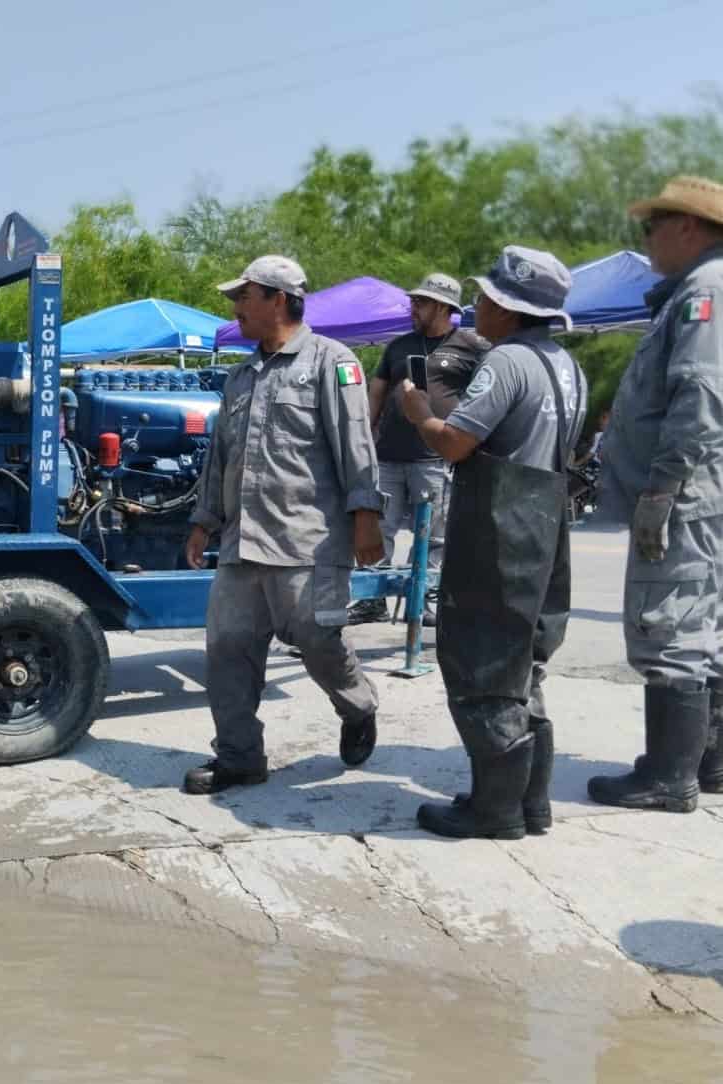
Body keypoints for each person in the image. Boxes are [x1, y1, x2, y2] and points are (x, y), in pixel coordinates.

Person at [589, 176, 723, 814]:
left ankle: (669, 776)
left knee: (667, 630)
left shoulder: (707, 289)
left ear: (687, 226)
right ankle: (704, 762)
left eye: (652, 227)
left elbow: (700, 393)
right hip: (714, 489)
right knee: (702, 625)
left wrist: (664, 486)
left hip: (688, 494)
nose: (646, 240)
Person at [399, 247, 585, 840]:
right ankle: (531, 803)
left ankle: (494, 810)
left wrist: (419, 413)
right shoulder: (567, 366)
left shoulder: (506, 361)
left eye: (485, 297)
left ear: (509, 308)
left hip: (500, 526)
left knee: (483, 662)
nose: (476, 305)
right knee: (524, 664)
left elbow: (456, 443)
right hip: (547, 522)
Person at [182, 255, 384, 795]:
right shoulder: (239, 376)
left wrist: (367, 517)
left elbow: (356, 444)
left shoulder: (332, 362)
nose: (235, 307)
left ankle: (358, 706)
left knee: (319, 643)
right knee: (227, 650)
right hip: (241, 541)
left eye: (244, 296)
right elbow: (220, 458)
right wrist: (205, 521)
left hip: (306, 540)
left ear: (278, 299)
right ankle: (240, 757)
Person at [350, 272, 488, 627]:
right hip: (388, 457)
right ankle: (371, 600)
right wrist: (363, 438)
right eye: (413, 301)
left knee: (434, 536)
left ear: (443, 307)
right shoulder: (398, 346)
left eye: (421, 302)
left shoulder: (472, 346)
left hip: (435, 458)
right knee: (379, 530)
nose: (413, 307)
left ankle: (424, 600)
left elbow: (487, 396)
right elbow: (377, 392)